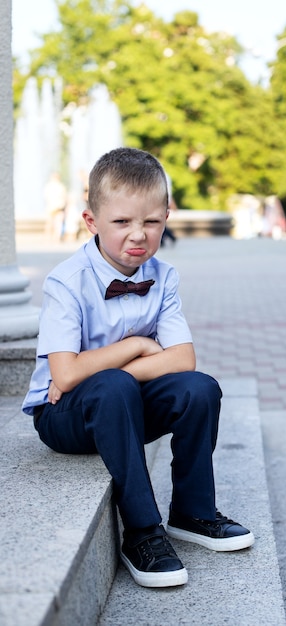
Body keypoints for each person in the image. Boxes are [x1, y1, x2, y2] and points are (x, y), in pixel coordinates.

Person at [22, 147, 254, 589]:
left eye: (151, 222)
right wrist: (137, 346)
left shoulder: (162, 277)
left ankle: (193, 511)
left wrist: (108, 368)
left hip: (120, 404)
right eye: (122, 222)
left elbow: (182, 359)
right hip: (65, 416)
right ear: (92, 222)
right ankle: (143, 533)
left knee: (199, 389)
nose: (138, 235)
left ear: (166, 217)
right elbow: (66, 378)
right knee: (110, 387)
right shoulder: (67, 281)